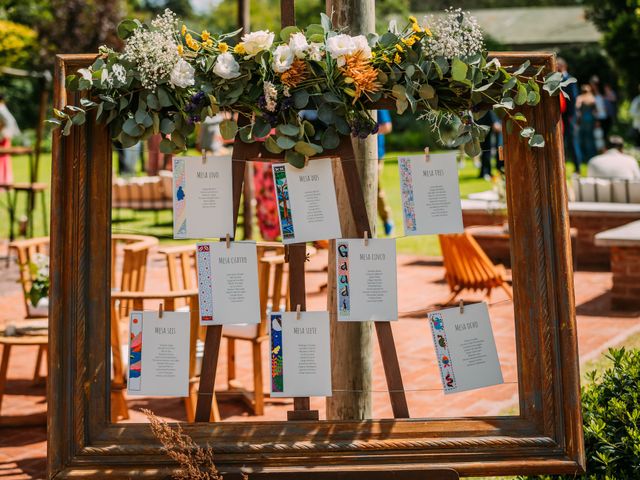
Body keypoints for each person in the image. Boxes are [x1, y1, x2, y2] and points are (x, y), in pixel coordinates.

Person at [556, 58, 581, 171]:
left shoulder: (570, 79)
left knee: (572, 141)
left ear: (564, 66)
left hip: (569, 116)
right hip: (559, 115)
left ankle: (577, 167)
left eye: (558, 65)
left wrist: (571, 115)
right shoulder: (555, 79)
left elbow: (573, 98)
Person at [376, 110, 394, 236]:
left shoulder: (376, 102)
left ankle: (386, 219)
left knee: (375, 188)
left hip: (376, 154)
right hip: (353, 154)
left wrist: (365, 131)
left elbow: (387, 126)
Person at [0, 93, 20, 185]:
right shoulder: (3, 107)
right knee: (4, 158)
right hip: (5, 136)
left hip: (3, 137)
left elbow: (7, 122)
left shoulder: (1, 108)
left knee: (2, 158)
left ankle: (3, 181)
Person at [576, 84, 598, 165]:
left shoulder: (580, 98)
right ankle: (591, 156)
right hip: (590, 120)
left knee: (582, 139)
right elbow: (596, 111)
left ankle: (583, 157)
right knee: (590, 138)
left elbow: (577, 108)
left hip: (582, 121)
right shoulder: (592, 98)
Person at [477, 110, 502, 179]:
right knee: (487, 150)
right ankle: (486, 172)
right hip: (486, 125)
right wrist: (494, 121)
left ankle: (488, 172)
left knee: (489, 149)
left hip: (486, 124)